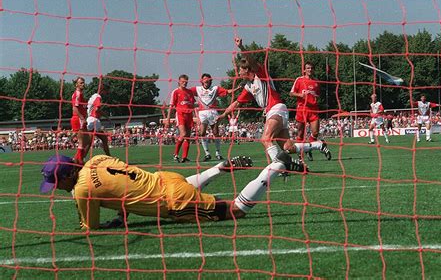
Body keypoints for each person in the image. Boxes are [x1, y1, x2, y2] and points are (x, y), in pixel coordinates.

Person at [39, 152, 304, 230]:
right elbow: (119, 187)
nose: (57, 189)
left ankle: (276, 166)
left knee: (236, 210)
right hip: (167, 178)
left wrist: (84, 208)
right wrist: (122, 216)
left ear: (70, 174)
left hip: (173, 201)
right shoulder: (97, 158)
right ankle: (214, 171)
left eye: (56, 183)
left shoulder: (83, 189)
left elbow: (92, 226)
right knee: (177, 187)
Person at [218, 37, 331, 163]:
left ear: (247, 69)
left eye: (240, 70)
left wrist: (242, 48)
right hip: (273, 113)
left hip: (276, 108)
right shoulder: (248, 86)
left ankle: (279, 167)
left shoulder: (260, 75)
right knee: (289, 147)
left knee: (265, 139)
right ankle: (318, 145)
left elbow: (252, 61)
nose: (238, 72)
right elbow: (236, 103)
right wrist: (223, 114)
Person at [190, 73, 241, 161]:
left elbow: (227, 91)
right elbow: (187, 92)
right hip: (202, 113)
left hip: (213, 112)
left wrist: (237, 88)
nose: (206, 80)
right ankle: (207, 153)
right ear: (201, 81)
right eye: (204, 79)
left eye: (208, 79)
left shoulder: (215, 88)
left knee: (215, 133)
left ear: (210, 80)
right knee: (202, 133)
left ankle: (218, 153)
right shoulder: (197, 89)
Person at [289, 61, 331, 161]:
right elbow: (291, 93)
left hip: (313, 110)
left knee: (315, 132)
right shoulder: (299, 80)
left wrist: (315, 98)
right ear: (304, 70)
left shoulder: (316, 82)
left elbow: (317, 94)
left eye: (311, 68)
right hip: (302, 109)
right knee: (300, 134)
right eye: (308, 68)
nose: (310, 70)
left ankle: (308, 149)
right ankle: (301, 156)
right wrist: (300, 95)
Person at [166, 74, 196, 163]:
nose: (184, 83)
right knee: (183, 134)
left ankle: (184, 157)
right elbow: (171, 106)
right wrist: (168, 119)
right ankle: (175, 154)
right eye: (182, 81)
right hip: (180, 115)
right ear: (179, 82)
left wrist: (196, 116)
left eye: (186, 82)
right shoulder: (175, 92)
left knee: (187, 137)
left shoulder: (190, 92)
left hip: (189, 115)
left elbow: (193, 105)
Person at [85, 83, 111, 157]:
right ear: (103, 90)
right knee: (94, 141)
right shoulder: (98, 97)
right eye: (107, 91)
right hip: (94, 120)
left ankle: (109, 156)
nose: (107, 93)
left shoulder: (94, 96)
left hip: (90, 119)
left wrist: (106, 117)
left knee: (101, 139)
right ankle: (80, 158)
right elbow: (97, 109)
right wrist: (106, 117)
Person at [70, 76, 90, 164]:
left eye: (83, 82)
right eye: (81, 83)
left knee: (87, 141)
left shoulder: (79, 94)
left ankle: (77, 159)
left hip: (79, 118)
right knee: (82, 142)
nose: (83, 84)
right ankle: (79, 161)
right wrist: (82, 118)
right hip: (78, 119)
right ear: (76, 84)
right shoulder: (77, 94)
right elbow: (75, 108)